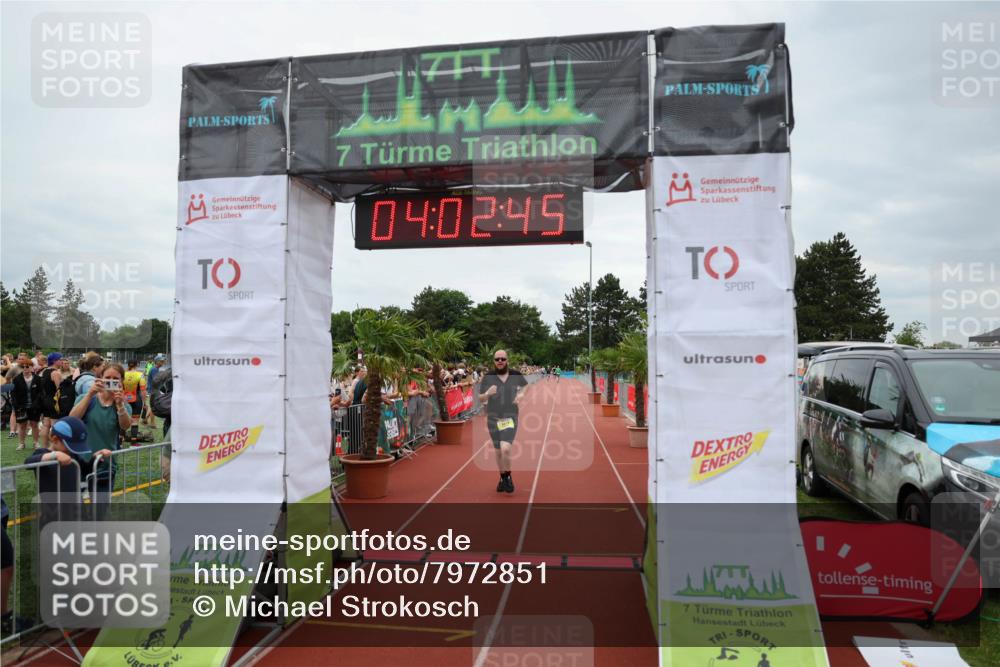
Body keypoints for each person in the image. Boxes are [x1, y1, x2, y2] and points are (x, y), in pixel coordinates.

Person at [69, 363, 131, 499]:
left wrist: (120, 405)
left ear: (121, 381)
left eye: (116, 379)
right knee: (77, 511)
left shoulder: (123, 404)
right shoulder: (86, 398)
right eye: (107, 377)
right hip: (81, 464)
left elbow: (125, 426)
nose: (111, 381)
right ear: (100, 378)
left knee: (100, 511)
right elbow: (72, 420)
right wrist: (90, 394)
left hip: (106, 465)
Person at [478, 349, 528, 494]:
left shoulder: (515, 375)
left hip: (510, 417)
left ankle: (507, 477)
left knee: (505, 448)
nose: (500, 361)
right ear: (494, 361)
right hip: (493, 418)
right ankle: (502, 478)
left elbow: (526, 385)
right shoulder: (488, 377)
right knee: (499, 451)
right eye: (497, 359)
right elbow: (480, 398)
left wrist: (521, 394)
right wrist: (487, 393)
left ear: (507, 360)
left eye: (503, 359)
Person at [10, 364, 41, 450]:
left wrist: (37, 403)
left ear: (31, 368)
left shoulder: (38, 379)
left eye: (27, 366)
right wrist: (16, 404)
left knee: (34, 424)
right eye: (22, 367)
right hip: (20, 406)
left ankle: (36, 443)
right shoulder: (16, 379)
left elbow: (41, 392)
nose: (25, 368)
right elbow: (13, 393)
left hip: (35, 406)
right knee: (22, 425)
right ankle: (21, 444)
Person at [123, 359, 148, 442]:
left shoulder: (123, 374)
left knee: (123, 420)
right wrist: (145, 403)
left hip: (124, 400)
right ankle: (133, 442)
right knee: (135, 421)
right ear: (137, 365)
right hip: (136, 400)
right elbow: (143, 390)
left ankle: (120, 441)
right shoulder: (140, 375)